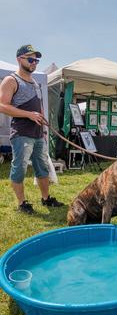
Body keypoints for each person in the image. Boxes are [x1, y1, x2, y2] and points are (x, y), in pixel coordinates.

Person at [0, 45, 64, 214]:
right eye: (30, 59)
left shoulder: (35, 82)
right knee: (19, 169)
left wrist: (42, 121)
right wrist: (28, 114)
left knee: (42, 168)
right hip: (21, 134)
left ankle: (45, 199)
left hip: (37, 134)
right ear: (19, 59)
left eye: (36, 60)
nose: (34, 63)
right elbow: (2, 106)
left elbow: (38, 106)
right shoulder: (11, 80)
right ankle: (22, 204)